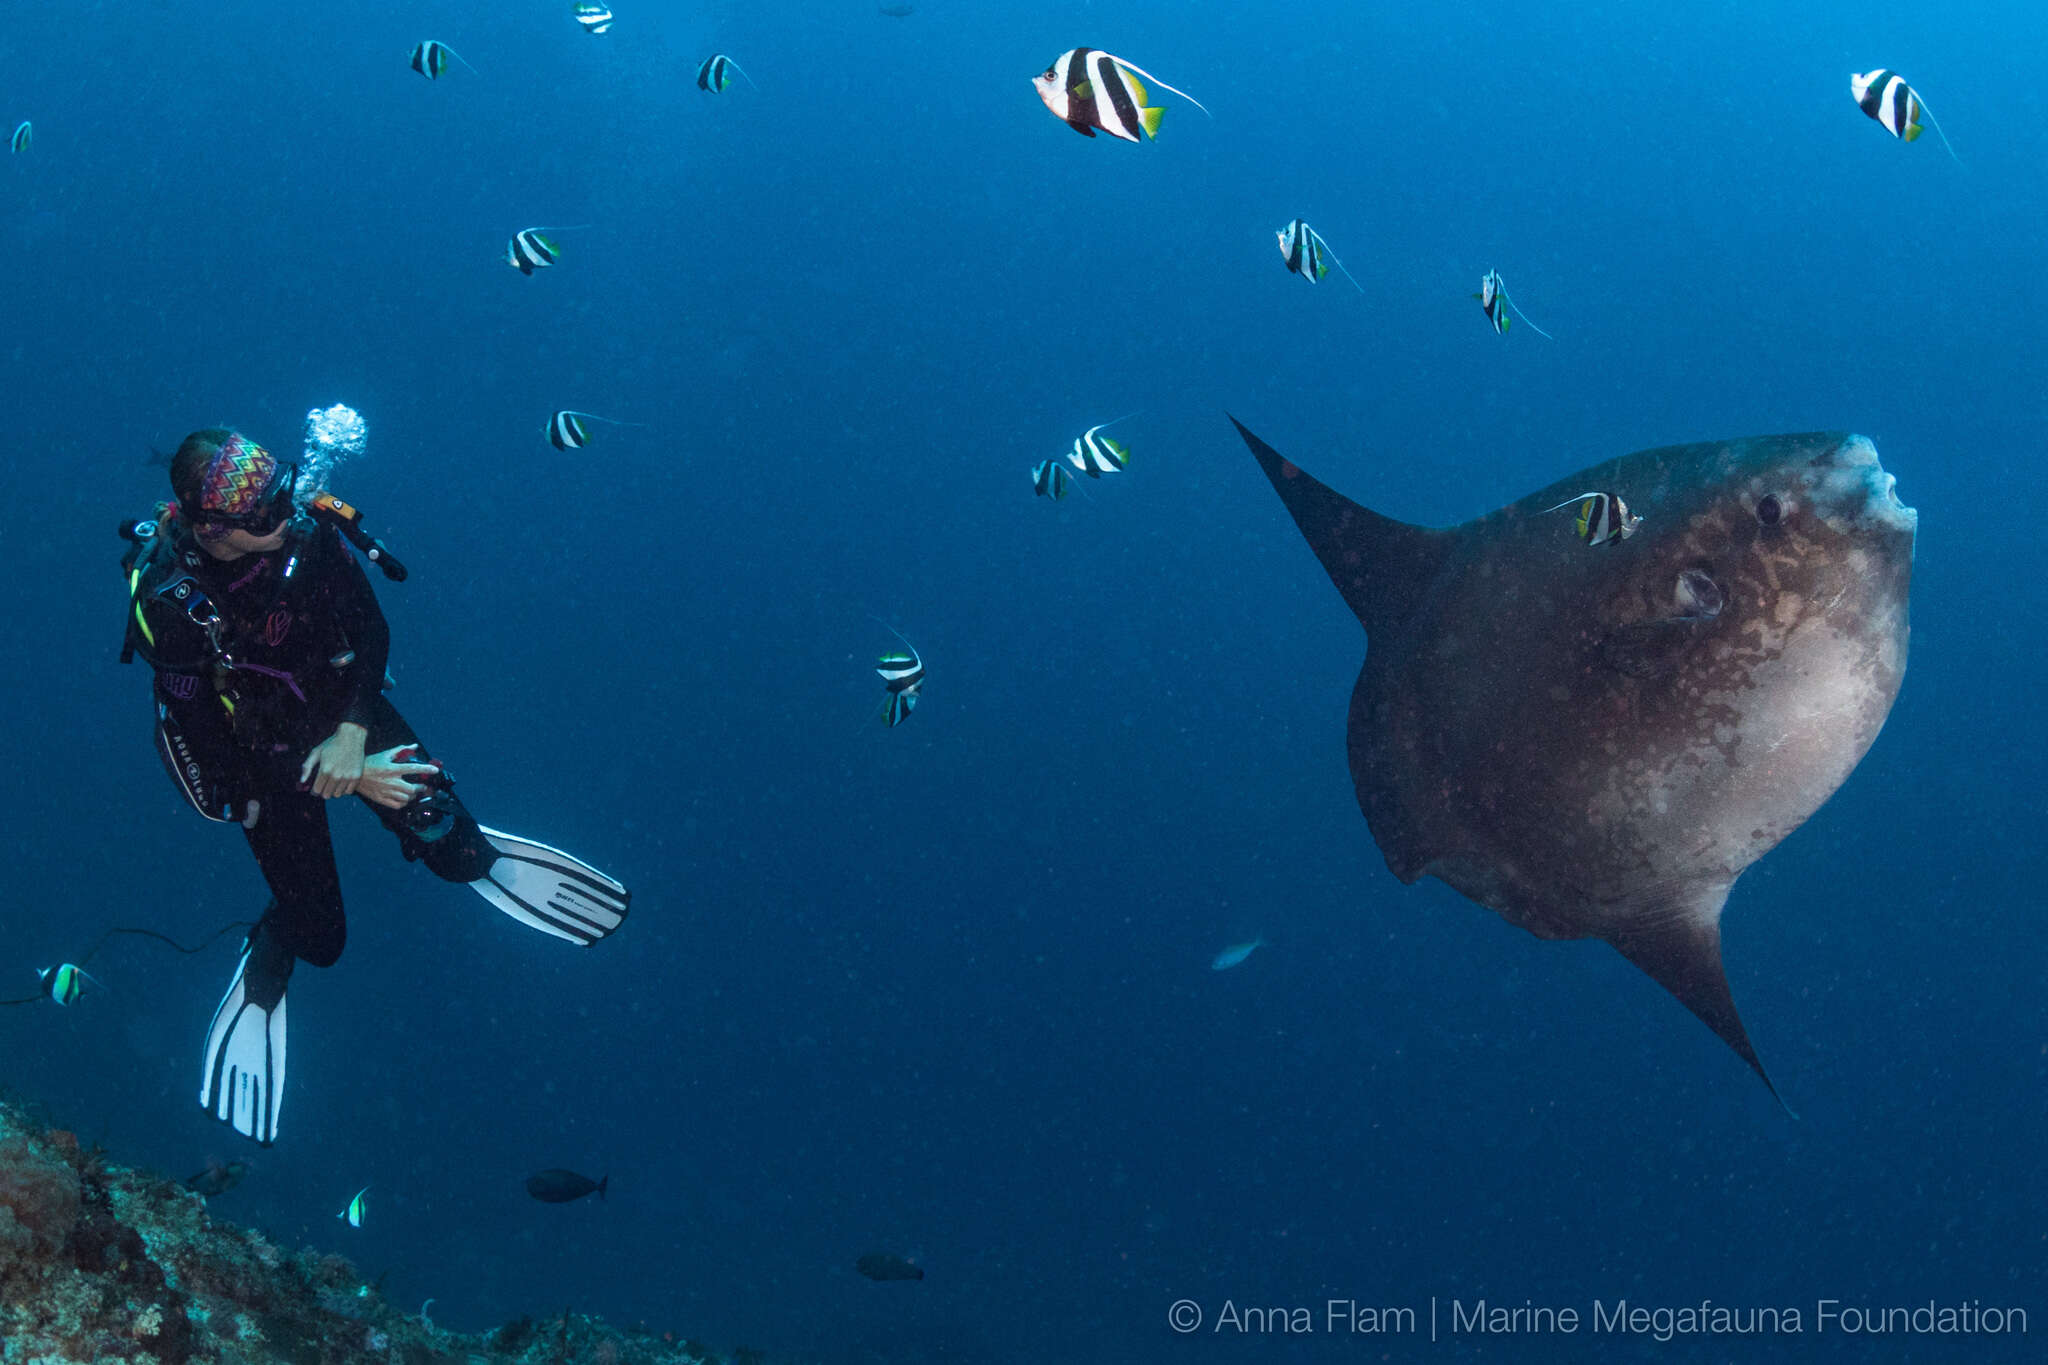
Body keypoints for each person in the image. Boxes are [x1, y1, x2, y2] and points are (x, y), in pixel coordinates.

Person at [121, 427, 629, 1145]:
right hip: (254, 759)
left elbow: (372, 630)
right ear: (212, 528)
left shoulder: (308, 536)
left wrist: (356, 734)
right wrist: (347, 771)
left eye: (284, 493)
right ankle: (271, 944)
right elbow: (212, 745)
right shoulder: (170, 607)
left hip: (339, 708)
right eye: (264, 513)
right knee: (323, 940)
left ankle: (462, 845)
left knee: (453, 848)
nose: (286, 515)